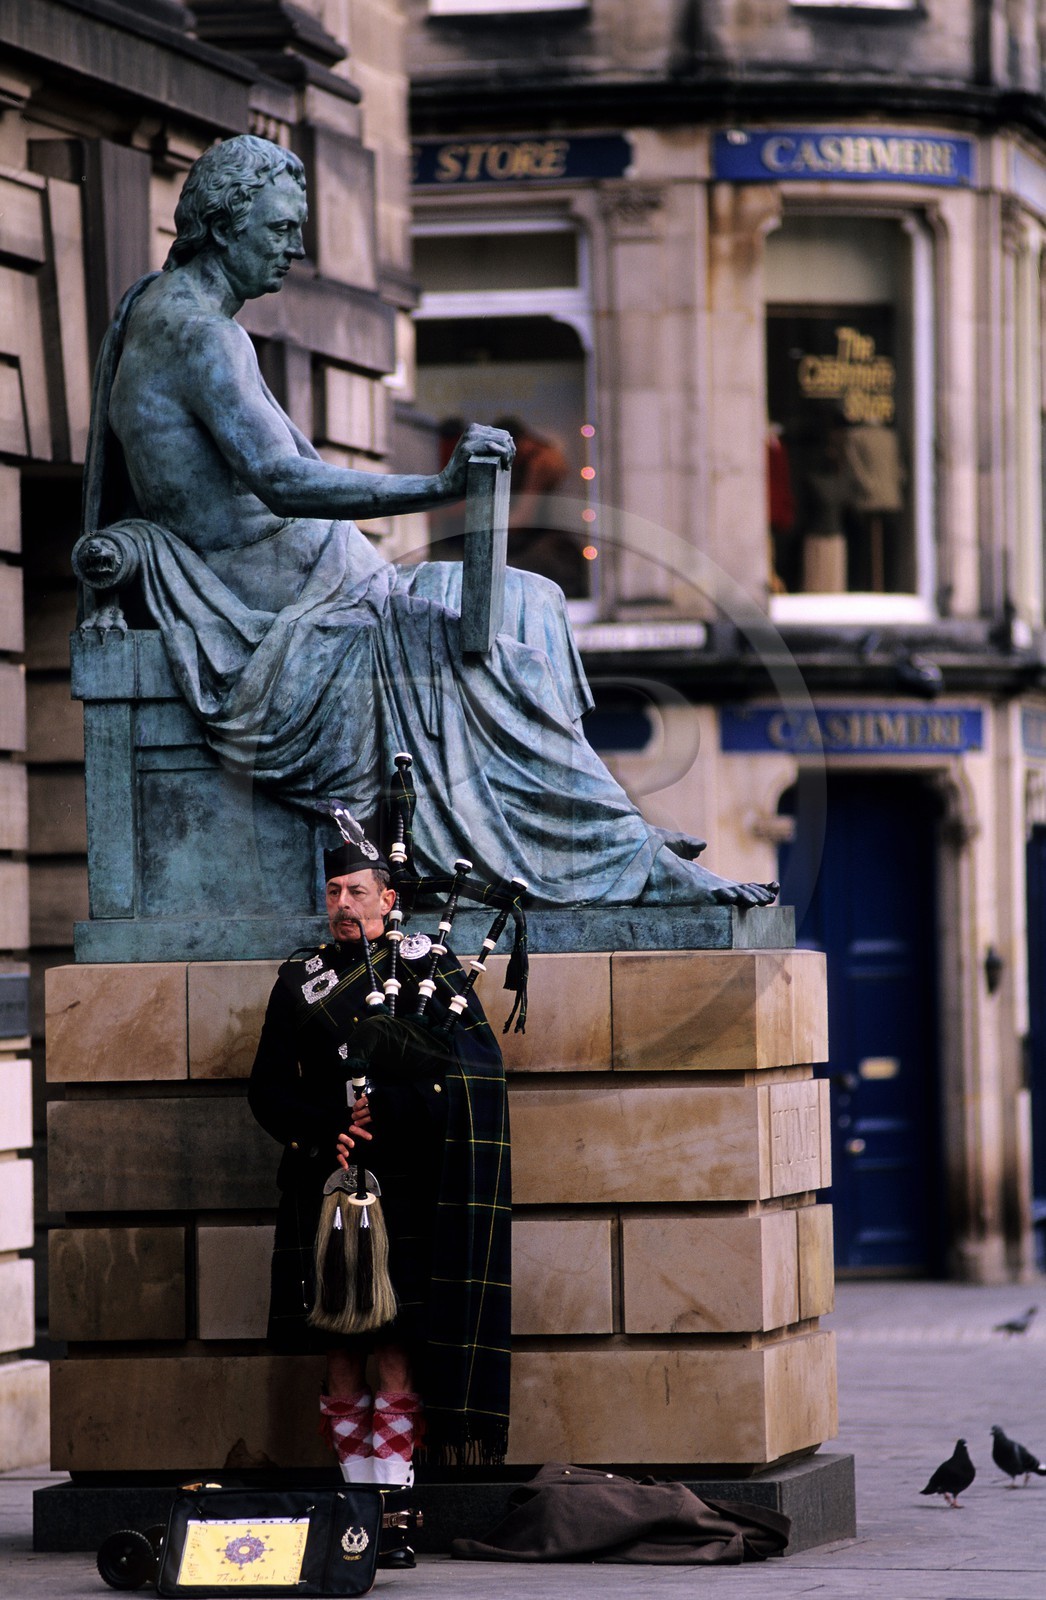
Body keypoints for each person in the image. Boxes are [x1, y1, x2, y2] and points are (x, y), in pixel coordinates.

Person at [91, 133, 774, 909]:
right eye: (280, 230)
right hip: (284, 616)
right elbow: (281, 482)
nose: (298, 247)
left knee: (535, 601)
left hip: (333, 582)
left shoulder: (164, 310)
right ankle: (626, 863)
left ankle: (596, 829)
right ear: (221, 226)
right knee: (487, 655)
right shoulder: (200, 336)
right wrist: (441, 483)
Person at [248, 833, 510, 1566]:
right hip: (323, 1187)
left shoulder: (432, 971)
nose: (341, 906)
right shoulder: (299, 982)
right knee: (338, 1349)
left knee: (394, 1349)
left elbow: (472, 1083)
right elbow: (267, 1089)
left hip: (408, 1186)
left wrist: (391, 1114)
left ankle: (390, 1515)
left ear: (390, 900)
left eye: (356, 892)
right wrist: (325, 1130)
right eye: (332, 893)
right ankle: (354, 1513)